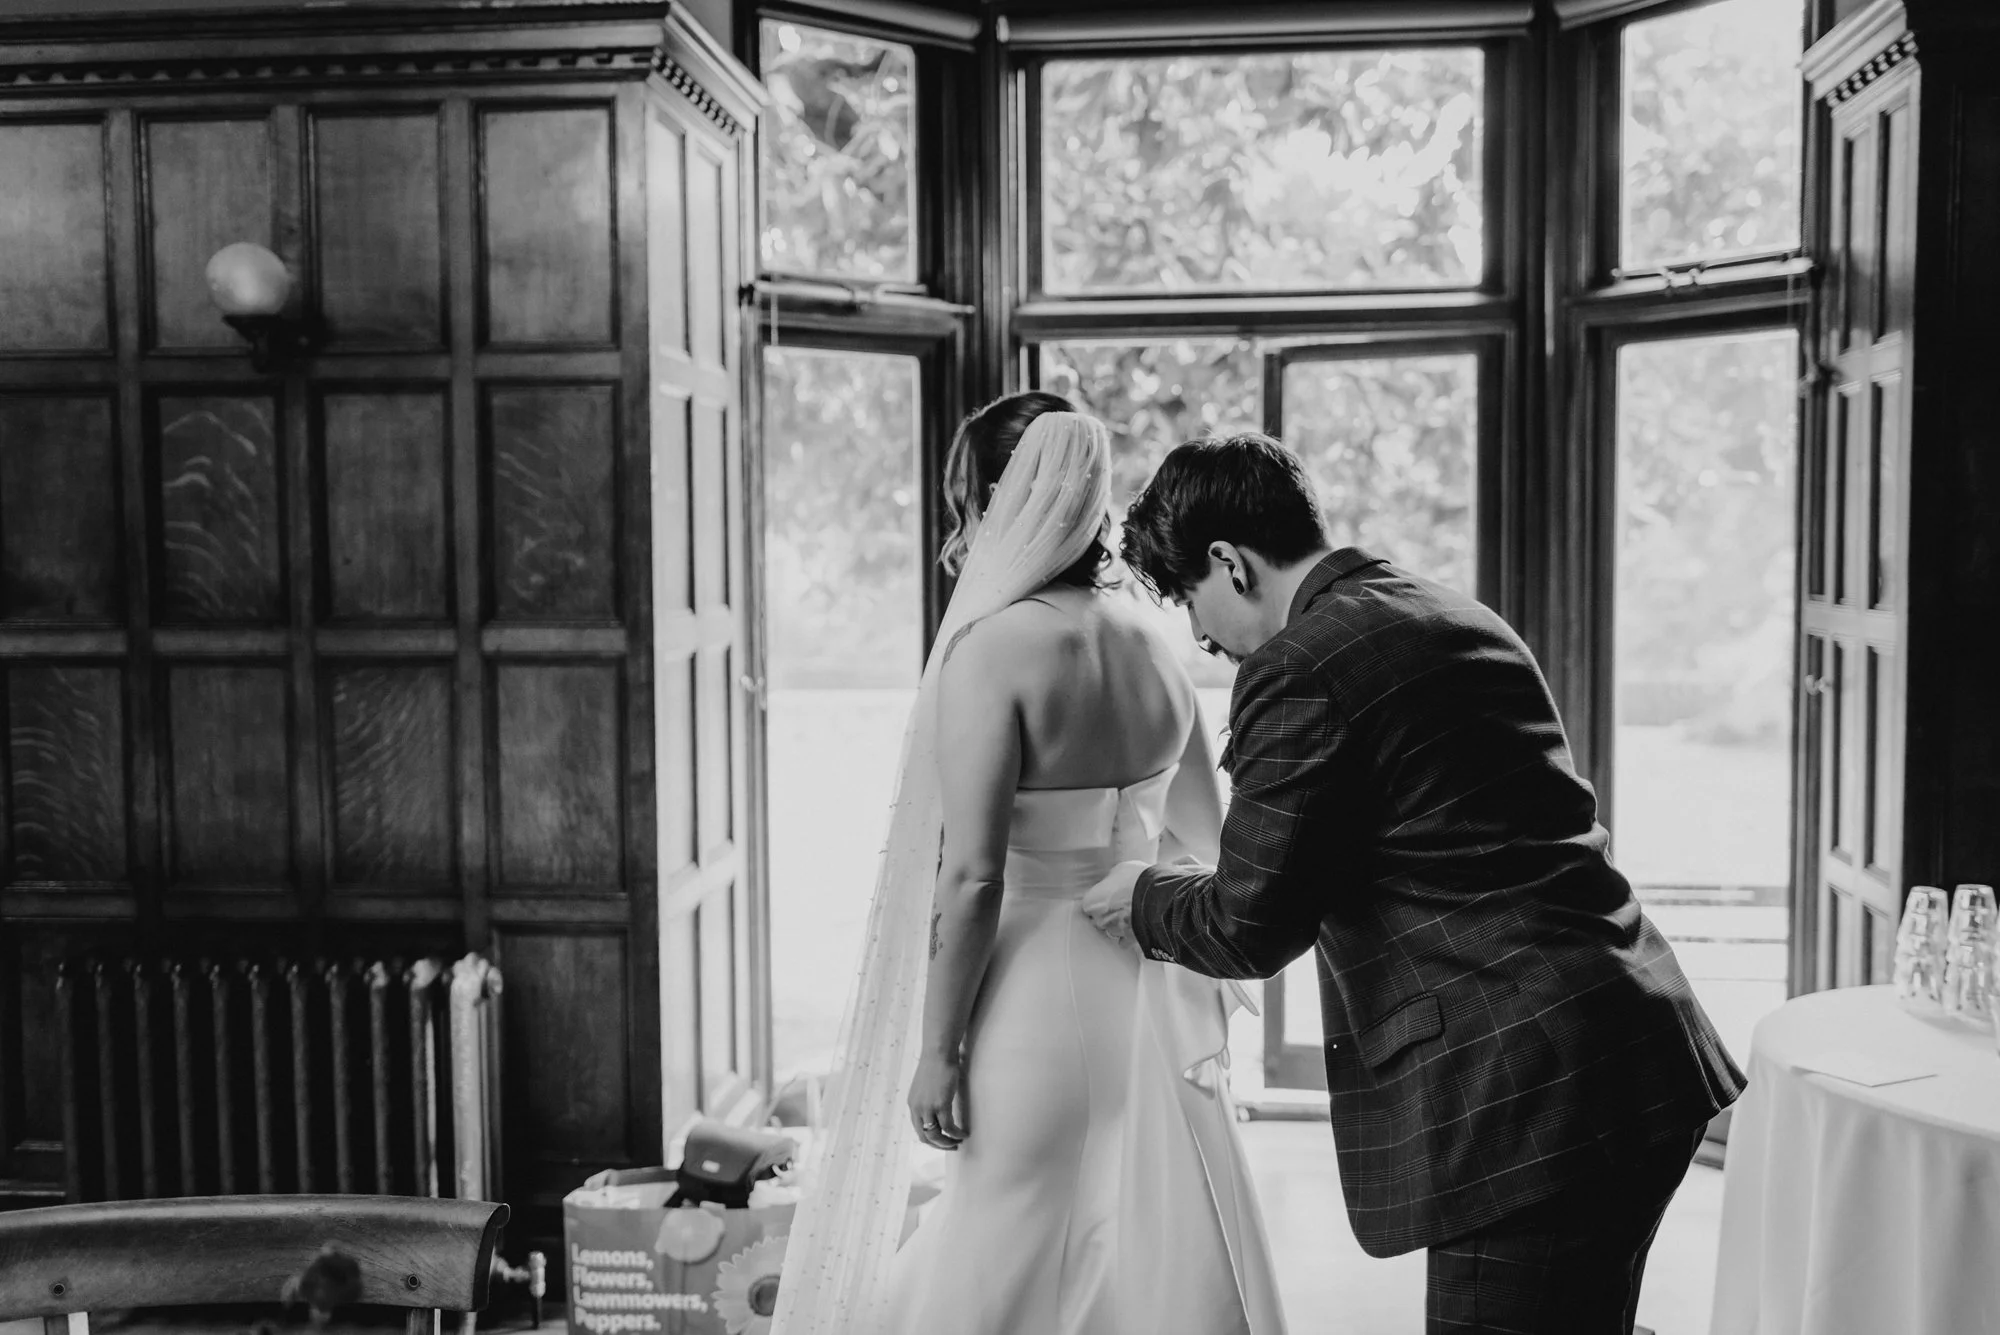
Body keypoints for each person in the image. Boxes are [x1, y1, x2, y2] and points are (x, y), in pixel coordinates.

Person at [1083, 432, 1746, 1335]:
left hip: (1528, 1093)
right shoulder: (1445, 610)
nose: (1200, 637)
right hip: (1635, 1042)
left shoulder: (1302, 666)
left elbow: (1249, 924)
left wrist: (1146, 897)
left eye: (1192, 603)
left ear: (1228, 563)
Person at [771, 397, 1287, 1335]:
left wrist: (936, 1051)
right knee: (1119, 1259)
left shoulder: (993, 652)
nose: (953, 540)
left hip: (1029, 1001)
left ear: (1003, 503)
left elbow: (972, 877)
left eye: (961, 506)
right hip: (1143, 986)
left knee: (998, 1244)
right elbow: (1204, 844)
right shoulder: (1158, 644)